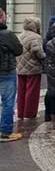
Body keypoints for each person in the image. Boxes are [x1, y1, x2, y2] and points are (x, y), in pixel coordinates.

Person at [0, 10, 24, 142]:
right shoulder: (7, 34)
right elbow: (18, 50)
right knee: (8, 103)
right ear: (1, 19)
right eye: (4, 16)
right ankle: (5, 132)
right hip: (5, 72)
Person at [16, 17, 44, 121]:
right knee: (32, 91)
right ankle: (29, 113)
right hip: (33, 67)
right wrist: (44, 56)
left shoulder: (20, 35)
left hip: (20, 67)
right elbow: (37, 51)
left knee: (21, 91)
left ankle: (21, 113)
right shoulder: (35, 37)